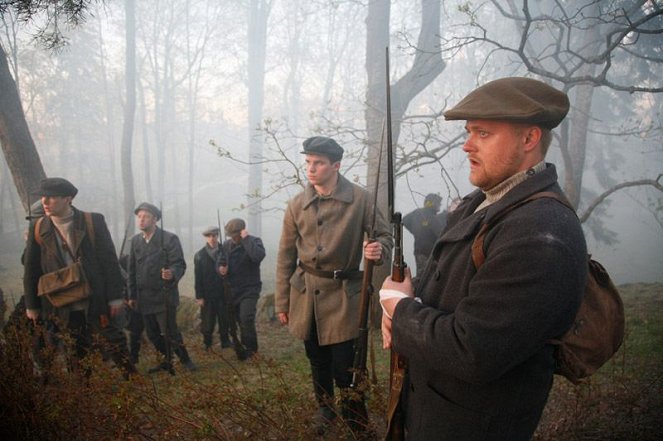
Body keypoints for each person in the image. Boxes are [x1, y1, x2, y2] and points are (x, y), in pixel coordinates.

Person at [379, 77, 588, 440]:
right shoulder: (484, 202)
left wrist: (401, 312)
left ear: (529, 139)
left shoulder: (541, 231)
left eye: (483, 133)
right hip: (434, 414)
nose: (467, 145)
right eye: (468, 131)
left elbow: (472, 349)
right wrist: (407, 297)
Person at [275, 136, 392, 436]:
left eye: (319, 163)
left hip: (344, 297)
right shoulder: (296, 205)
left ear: (336, 166)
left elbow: (385, 236)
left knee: (347, 366)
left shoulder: (361, 199)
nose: (311, 169)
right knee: (316, 359)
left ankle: (355, 417)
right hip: (306, 296)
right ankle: (324, 408)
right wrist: (282, 303)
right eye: (308, 162)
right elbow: (285, 257)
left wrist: (378, 249)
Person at [23, 177, 136, 378]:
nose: (45, 202)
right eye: (43, 197)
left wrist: (115, 297)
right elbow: (31, 270)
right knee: (74, 347)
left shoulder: (93, 221)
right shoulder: (38, 228)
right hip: (60, 299)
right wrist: (32, 305)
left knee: (113, 340)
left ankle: (134, 380)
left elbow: (109, 262)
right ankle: (83, 391)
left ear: (68, 199)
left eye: (51, 197)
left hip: (95, 296)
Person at [127, 202, 197, 374]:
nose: (141, 220)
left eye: (146, 217)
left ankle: (185, 360)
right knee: (152, 334)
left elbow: (179, 263)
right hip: (143, 297)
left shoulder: (169, 239)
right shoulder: (135, 241)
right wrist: (131, 295)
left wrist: (171, 273)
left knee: (170, 332)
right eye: (139, 217)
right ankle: (165, 360)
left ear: (155, 219)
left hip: (164, 295)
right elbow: (131, 270)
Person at [217, 218, 265, 359]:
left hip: (250, 289)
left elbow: (258, 257)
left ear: (242, 232)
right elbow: (220, 261)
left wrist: (246, 240)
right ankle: (243, 346)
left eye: (235, 235)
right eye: (230, 235)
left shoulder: (254, 241)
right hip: (232, 290)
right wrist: (220, 269)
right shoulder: (226, 245)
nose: (232, 238)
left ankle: (252, 350)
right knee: (238, 320)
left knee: (246, 318)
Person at [194, 226, 231, 351]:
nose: (212, 238)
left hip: (223, 292)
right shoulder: (199, 255)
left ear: (218, 236)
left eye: (215, 235)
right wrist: (199, 296)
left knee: (224, 319)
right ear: (206, 237)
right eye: (209, 236)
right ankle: (207, 343)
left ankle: (225, 341)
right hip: (207, 294)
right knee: (207, 321)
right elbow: (197, 277)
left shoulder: (226, 251)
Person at [402, 193, 446, 276]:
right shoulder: (433, 217)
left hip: (420, 252)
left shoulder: (417, 212)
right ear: (433, 203)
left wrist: (415, 231)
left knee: (421, 276)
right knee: (429, 277)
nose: (440, 205)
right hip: (431, 254)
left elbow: (404, 220)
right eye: (438, 203)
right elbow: (441, 234)